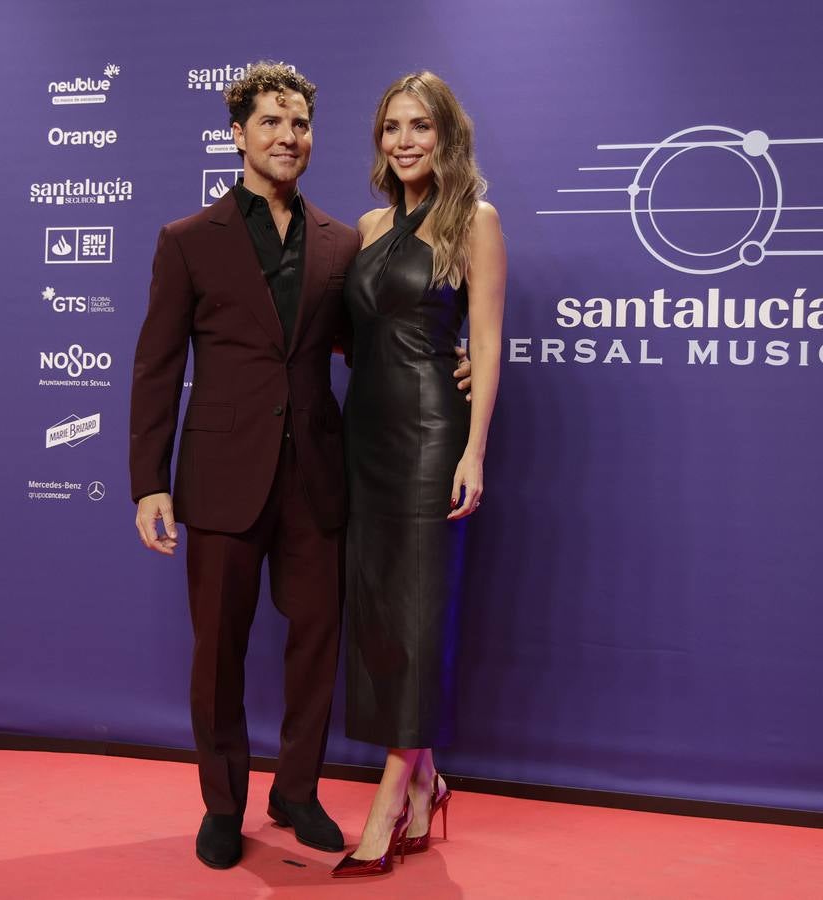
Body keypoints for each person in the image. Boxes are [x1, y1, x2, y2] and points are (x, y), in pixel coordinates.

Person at [128, 63, 470, 871]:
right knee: (217, 650)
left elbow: (374, 333)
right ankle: (223, 803)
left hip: (319, 473)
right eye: (272, 123)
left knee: (317, 641)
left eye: (300, 125)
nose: (288, 138)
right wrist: (148, 479)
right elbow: (154, 365)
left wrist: (452, 356)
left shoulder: (341, 240)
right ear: (238, 134)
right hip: (218, 476)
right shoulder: (186, 241)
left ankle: (296, 792)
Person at [331, 72, 506, 878]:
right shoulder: (367, 225)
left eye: (420, 127)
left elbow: (487, 338)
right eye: (391, 127)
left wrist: (472, 450)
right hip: (363, 438)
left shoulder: (474, 220)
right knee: (377, 611)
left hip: (433, 434)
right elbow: (352, 337)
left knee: (415, 611)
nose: (403, 141)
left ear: (446, 137)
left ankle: (390, 795)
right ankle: (428, 775)